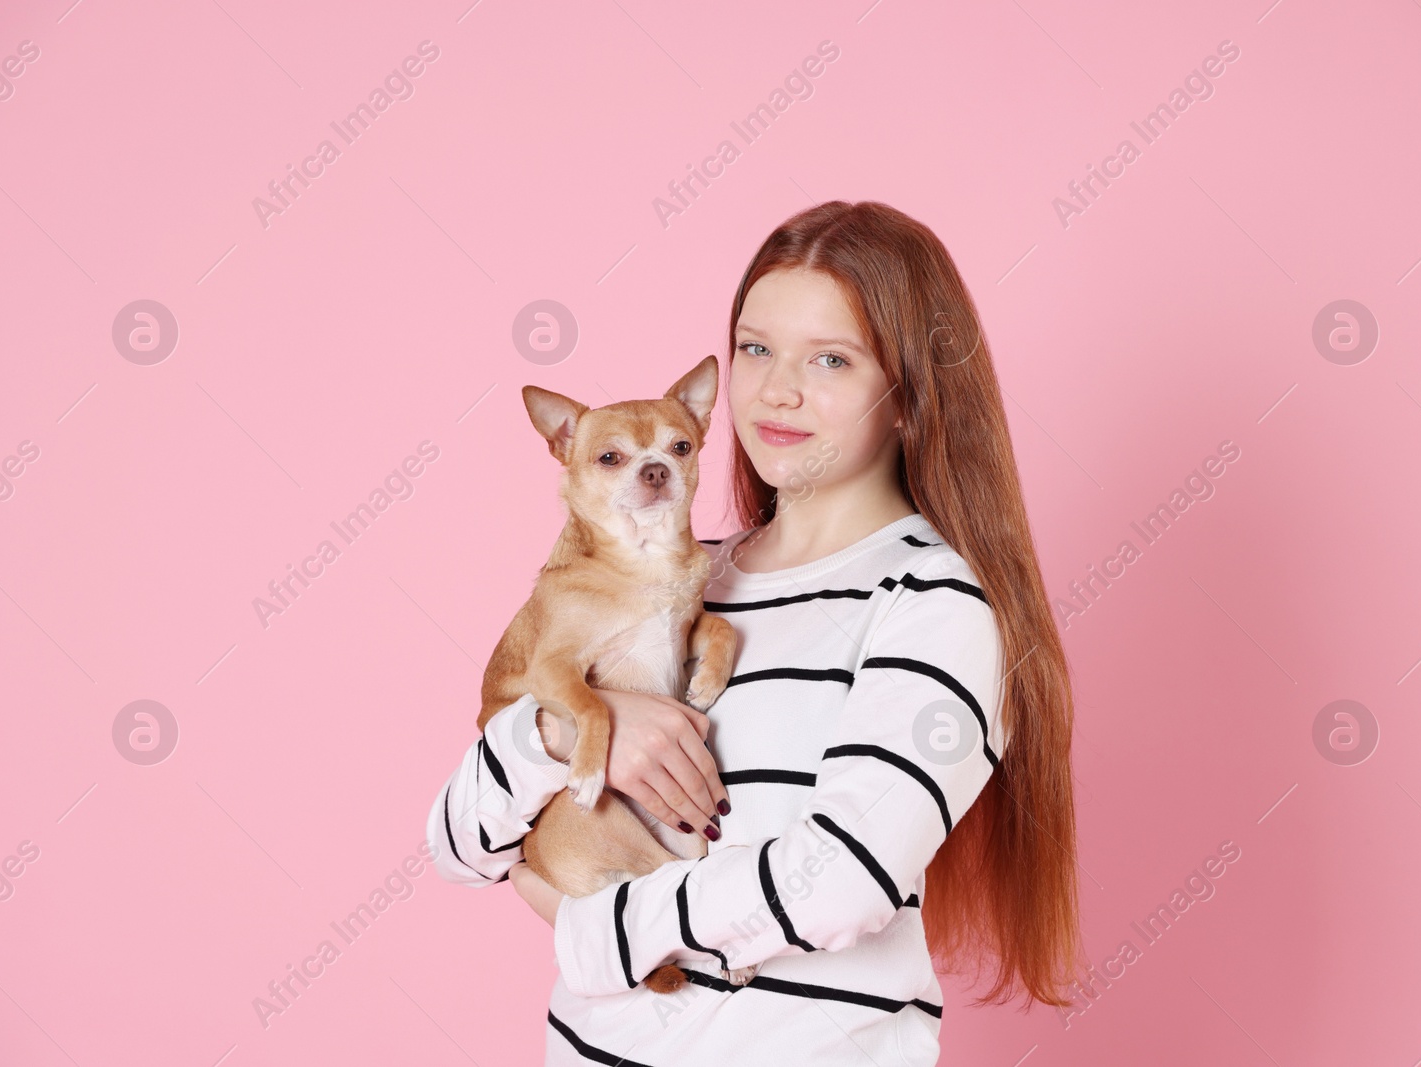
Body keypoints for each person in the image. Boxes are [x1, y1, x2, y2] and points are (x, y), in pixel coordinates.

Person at [426, 200, 1082, 1065]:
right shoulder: (677, 578)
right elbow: (458, 843)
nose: (777, 389)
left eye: (832, 359)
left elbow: (844, 878)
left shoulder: (934, 603)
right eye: (756, 347)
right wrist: (573, 731)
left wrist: (594, 928)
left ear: (910, 398)